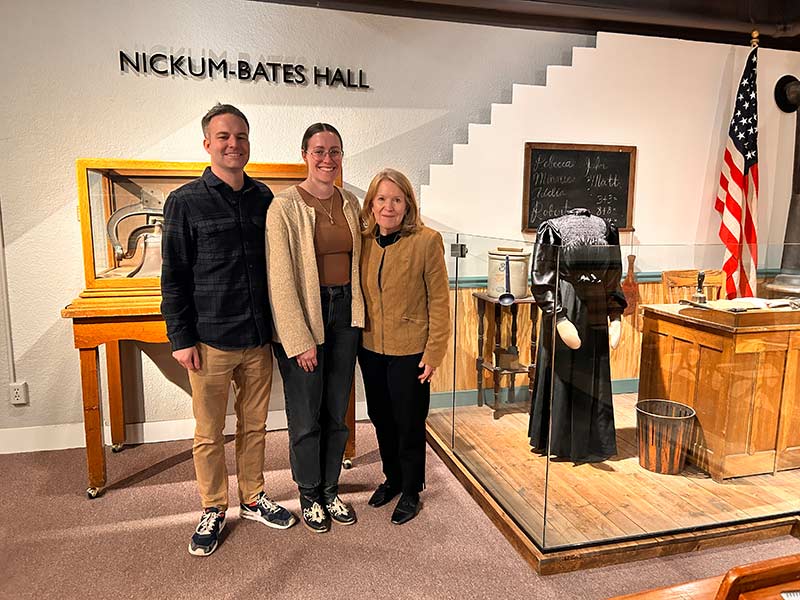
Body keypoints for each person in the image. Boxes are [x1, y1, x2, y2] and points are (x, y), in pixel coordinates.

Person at [161, 103, 296, 557]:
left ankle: (254, 497)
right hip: (210, 341)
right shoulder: (184, 202)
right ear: (207, 144)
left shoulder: (264, 200)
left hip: (258, 339)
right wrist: (180, 339)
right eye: (223, 137)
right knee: (209, 433)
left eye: (240, 136)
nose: (233, 144)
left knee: (255, 426)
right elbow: (174, 275)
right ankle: (214, 507)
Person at [266, 123, 364, 533]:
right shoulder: (284, 206)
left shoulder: (351, 202)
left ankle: (330, 488)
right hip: (305, 315)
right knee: (306, 414)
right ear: (304, 154)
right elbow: (280, 278)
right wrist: (299, 340)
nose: (328, 159)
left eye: (335, 151)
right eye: (319, 151)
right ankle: (308, 492)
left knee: (337, 411)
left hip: (345, 313)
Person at [358, 168, 451, 525]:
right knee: (380, 418)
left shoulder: (427, 241)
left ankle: (412, 489)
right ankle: (392, 478)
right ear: (371, 204)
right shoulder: (365, 240)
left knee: (409, 422)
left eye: (397, 199)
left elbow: (440, 303)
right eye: (381, 199)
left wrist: (434, 353)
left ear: (408, 204)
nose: (389, 206)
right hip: (370, 349)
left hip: (411, 351)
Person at [528, 207, 627, 463]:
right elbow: (541, 278)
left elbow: (614, 274)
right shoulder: (552, 229)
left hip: (596, 306)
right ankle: (559, 440)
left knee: (592, 369)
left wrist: (615, 314)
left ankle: (593, 441)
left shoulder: (608, 229)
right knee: (562, 371)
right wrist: (558, 316)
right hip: (567, 300)